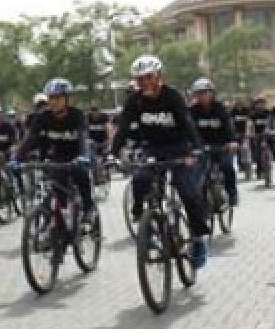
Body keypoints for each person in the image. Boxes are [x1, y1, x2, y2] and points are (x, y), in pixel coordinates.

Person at [110, 55, 211, 268]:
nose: (144, 83)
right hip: (153, 148)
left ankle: (199, 238)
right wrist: (113, 153)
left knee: (189, 193)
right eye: (140, 79)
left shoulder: (173, 96)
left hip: (179, 148)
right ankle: (145, 221)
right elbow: (124, 128)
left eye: (149, 77)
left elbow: (188, 123)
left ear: (159, 77)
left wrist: (195, 150)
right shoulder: (134, 101)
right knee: (140, 180)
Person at [14, 78, 93, 216]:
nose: (53, 102)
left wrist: (83, 156)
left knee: (82, 179)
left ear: (67, 99)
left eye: (57, 98)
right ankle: (57, 220)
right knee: (55, 188)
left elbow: (83, 138)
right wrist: (17, 158)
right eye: (50, 98)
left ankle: (89, 213)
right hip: (56, 158)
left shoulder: (77, 116)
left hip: (76, 157)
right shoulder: (42, 117)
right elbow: (30, 139)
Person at [189, 78, 238, 207]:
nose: (202, 96)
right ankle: (201, 200)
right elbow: (188, 130)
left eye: (205, 92)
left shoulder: (220, 109)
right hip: (200, 148)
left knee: (227, 167)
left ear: (212, 93)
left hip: (221, 146)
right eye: (198, 93)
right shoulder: (192, 111)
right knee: (196, 174)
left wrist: (232, 141)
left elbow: (229, 127)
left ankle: (232, 193)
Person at [248, 95, 275, 180]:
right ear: (255, 105)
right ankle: (259, 170)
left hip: (268, 134)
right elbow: (249, 124)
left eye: (262, 103)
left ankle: (272, 159)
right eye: (258, 103)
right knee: (258, 152)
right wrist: (250, 133)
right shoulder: (252, 114)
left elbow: (274, 123)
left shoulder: (269, 113)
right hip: (257, 135)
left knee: (272, 147)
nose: (260, 105)